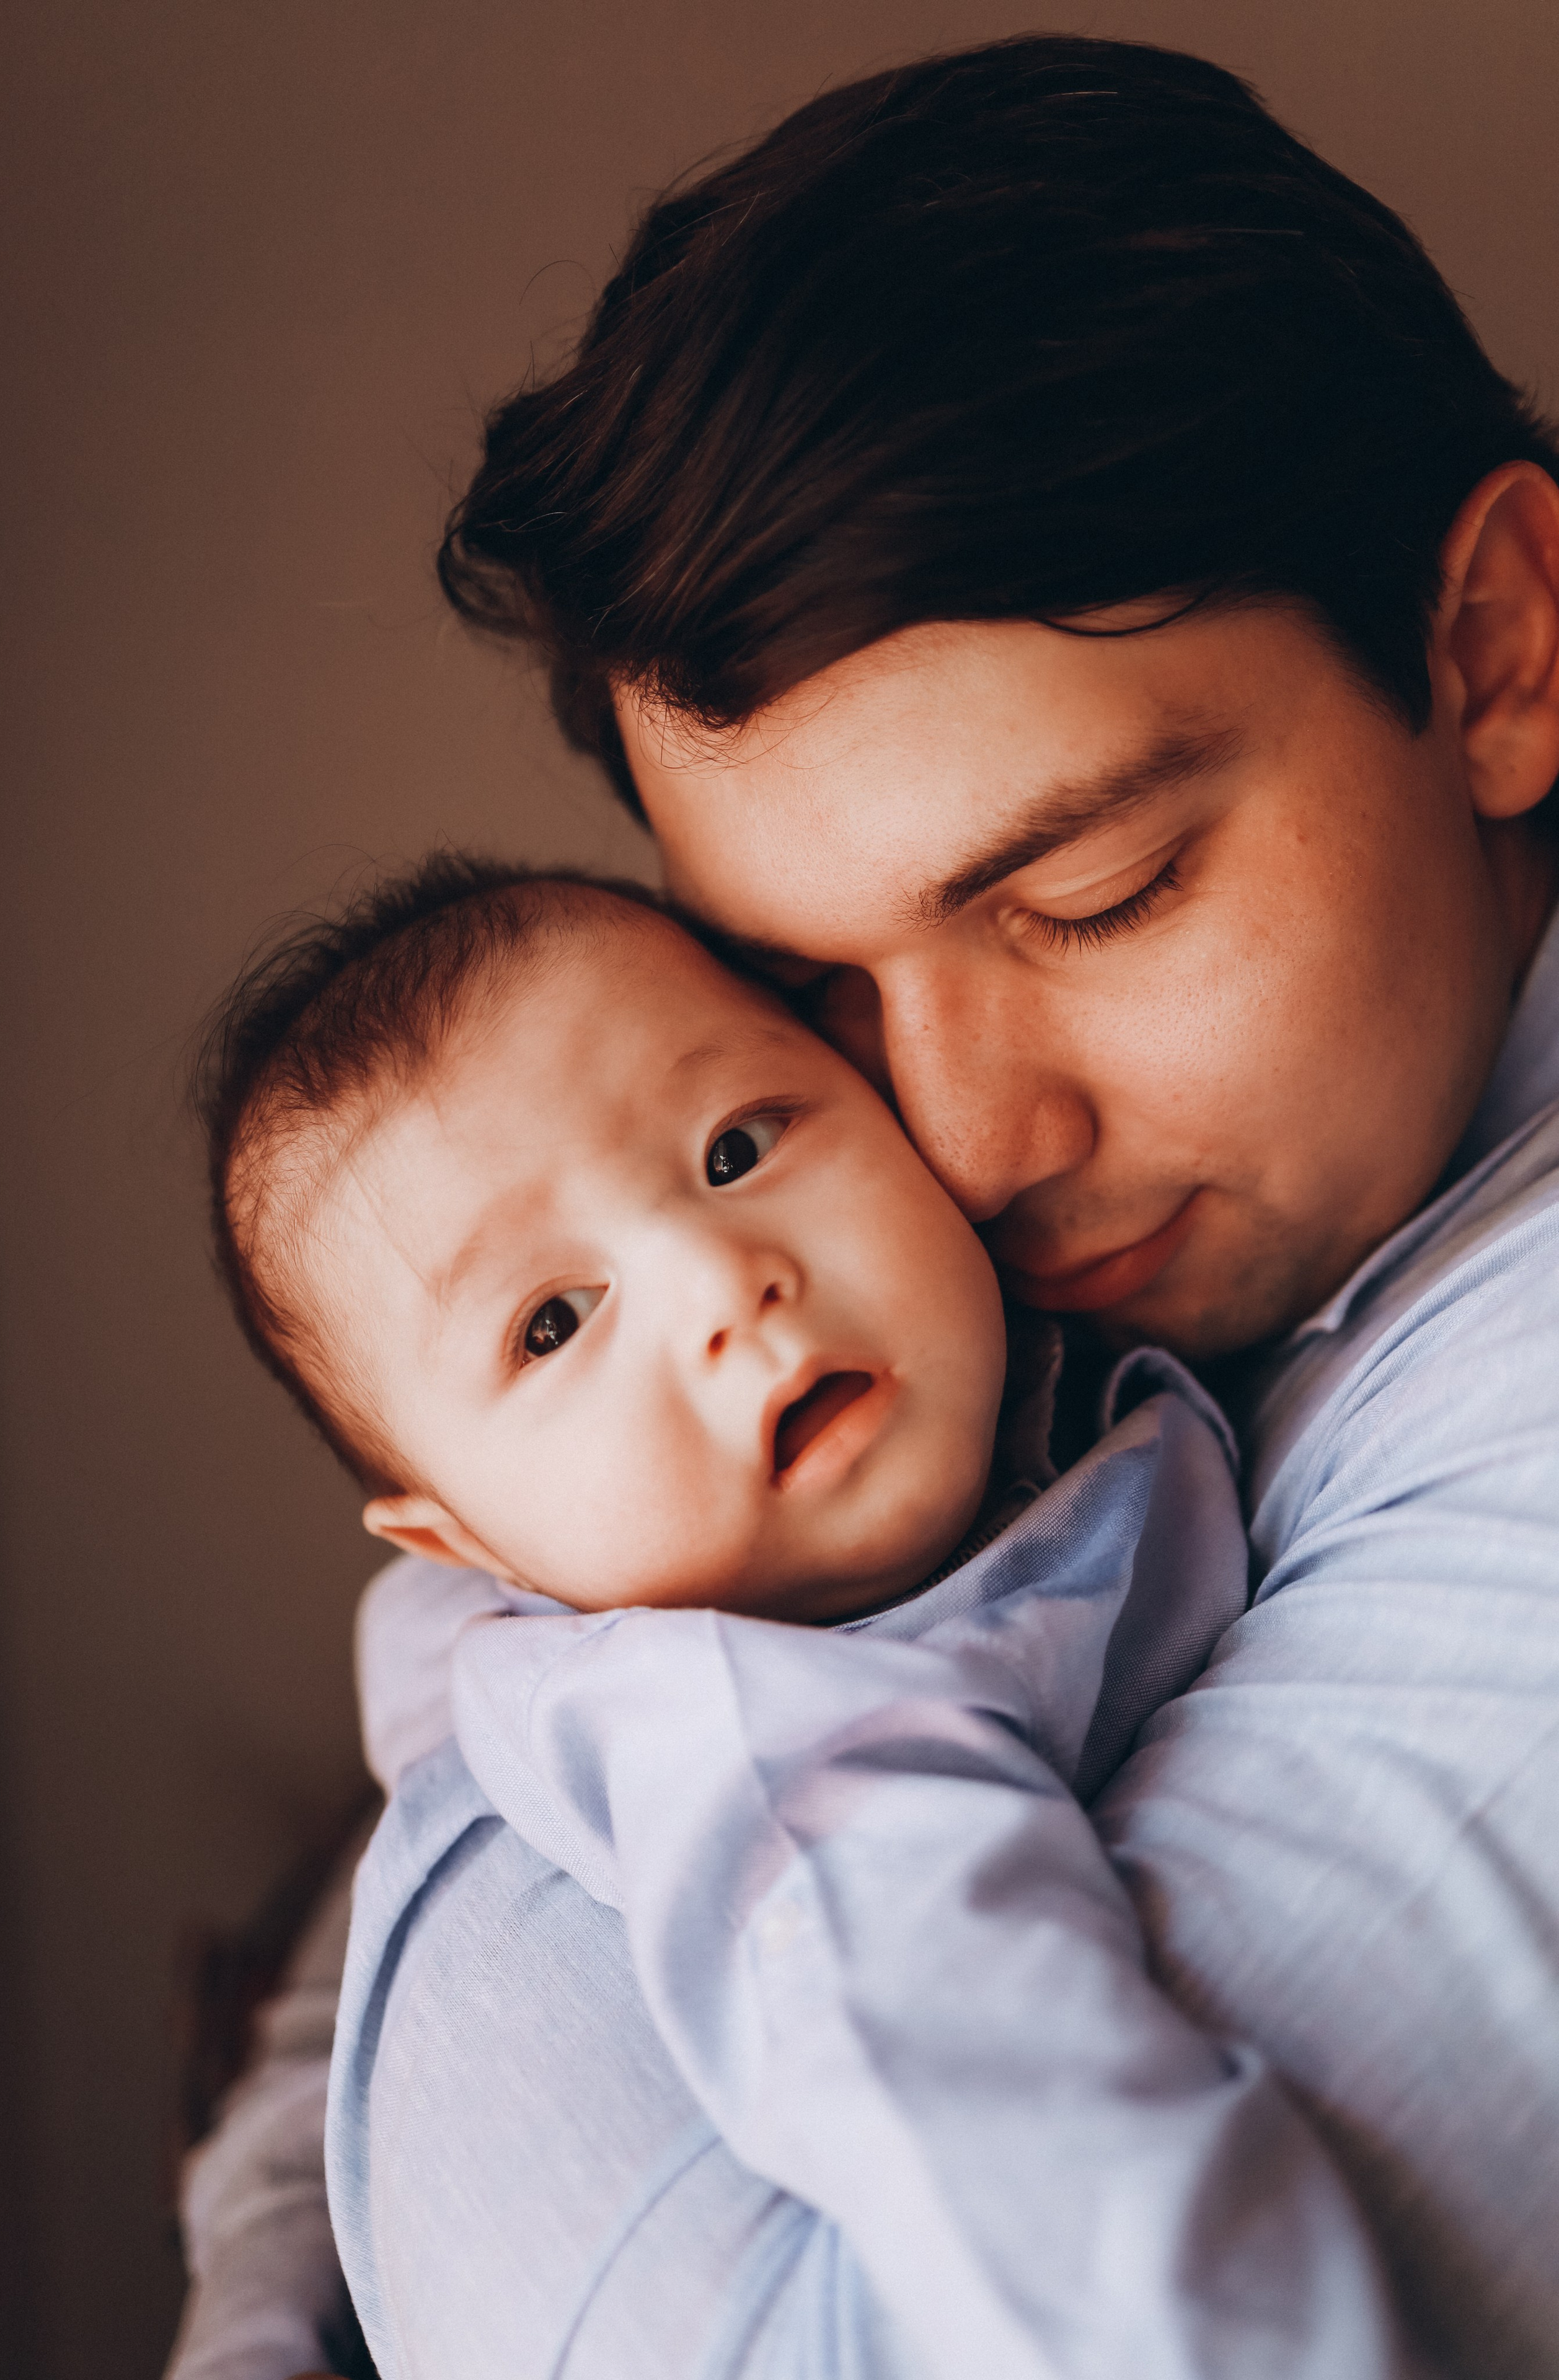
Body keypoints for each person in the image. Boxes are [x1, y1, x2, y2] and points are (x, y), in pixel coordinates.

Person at [167, 33, 1559, 2380]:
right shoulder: (1113, 1247)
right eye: (813, 995)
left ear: (1498, 649)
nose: (966, 1142)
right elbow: (391, 1802)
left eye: (1096, 892)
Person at [189, 852, 1268, 2377]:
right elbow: (1041, 2171)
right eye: (551, 1322)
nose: (722, 1277)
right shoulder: (753, 1745)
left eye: (737, 1145)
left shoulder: (1107, 1320)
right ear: (469, 1544)